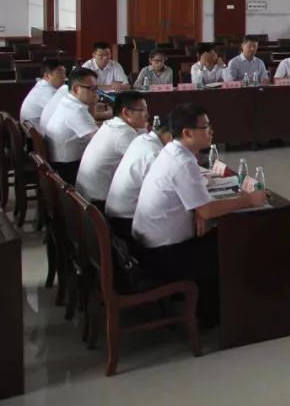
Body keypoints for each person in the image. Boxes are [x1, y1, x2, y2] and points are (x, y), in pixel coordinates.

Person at [133, 104, 268, 325]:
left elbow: (200, 206)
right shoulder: (182, 162)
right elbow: (207, 209)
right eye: (205, 127)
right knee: (232, 245)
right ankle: (216, 317)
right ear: (187, 132)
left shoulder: (172, 151)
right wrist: (249, 200)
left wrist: (199, 211)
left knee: (220, 236)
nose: (211, 131)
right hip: (162, 254)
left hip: (150, 243)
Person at [105, 112, 174, 235]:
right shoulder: (154, 154)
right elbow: (172, 192)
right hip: (126, 220)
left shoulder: (142, 139)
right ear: (170, 137)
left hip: (115, 213)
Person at [75, 90, 147, 205]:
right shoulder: (124, 134)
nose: (147, 114)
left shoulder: (111, 125)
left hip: (85, 197)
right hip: (98, 202)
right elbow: (146, 161)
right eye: (142, 110)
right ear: (126, 113)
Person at [42, 67, 100, 184]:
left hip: (60, 161)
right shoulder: (76, 110)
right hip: (68, 169)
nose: (95, 93)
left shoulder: (67, 99)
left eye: (96, 89)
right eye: (91, 89)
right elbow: (100, 141)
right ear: (76, 89)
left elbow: (92, 125)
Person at [20, 59, 67, 129]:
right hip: (37, 134)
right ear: (47, 75)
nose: (64, 77)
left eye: (64, 73)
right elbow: (64, 114)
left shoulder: (42, 86)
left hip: (34, 130)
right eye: (60, 73)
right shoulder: (47, 92)